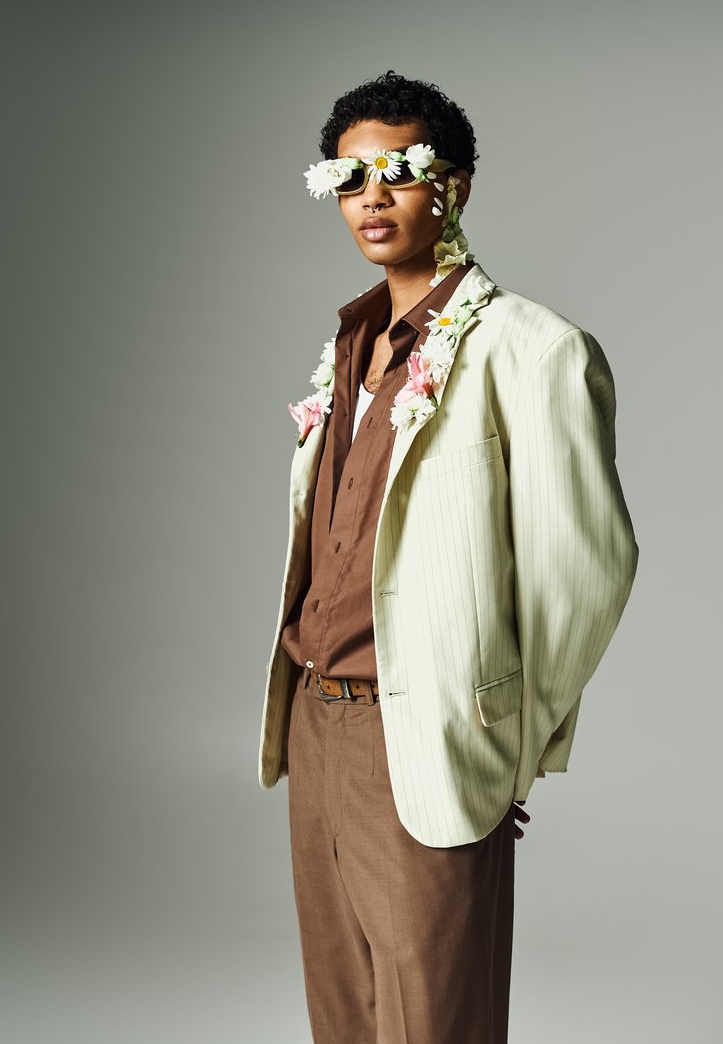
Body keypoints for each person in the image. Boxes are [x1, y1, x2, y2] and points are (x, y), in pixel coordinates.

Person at [256, 69, 638, 1044]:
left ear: (455, 186)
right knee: (343, 1015)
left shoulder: (533, 349)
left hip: (419, 730)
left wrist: (501, 746)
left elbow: (586, 571)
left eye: (398, 171)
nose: (372, 198)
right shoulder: (348, 346)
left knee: (435, 1024)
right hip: (314, 721)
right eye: (349, 179)